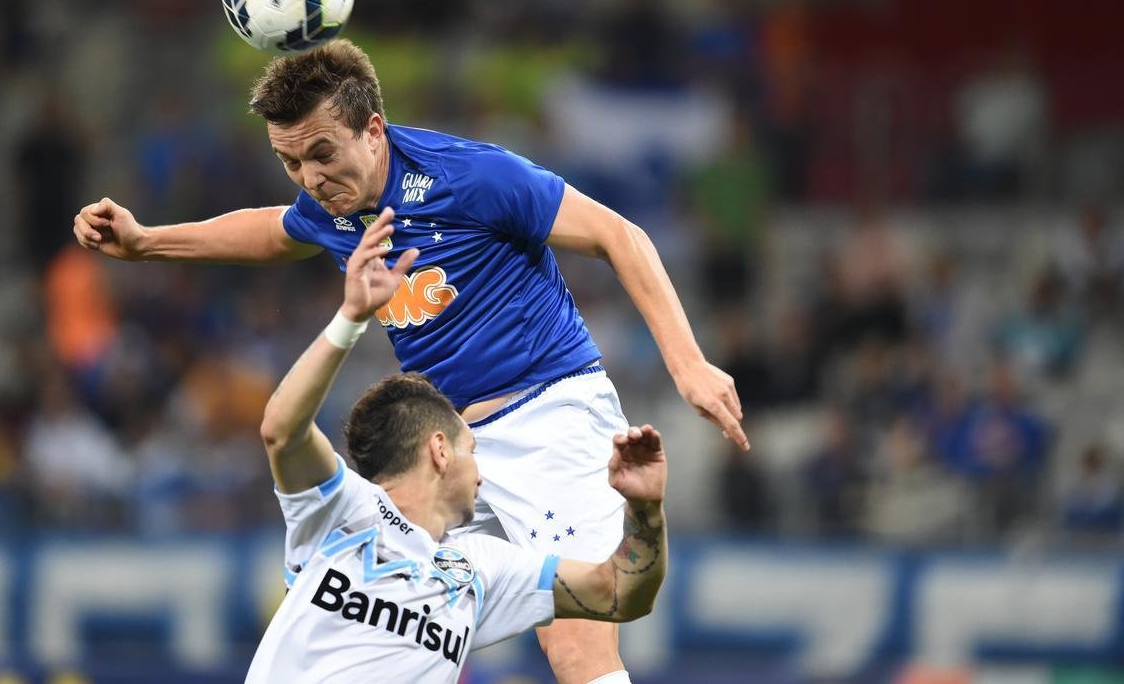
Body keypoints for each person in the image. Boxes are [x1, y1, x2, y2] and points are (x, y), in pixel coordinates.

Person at [73, 39, 745, 684]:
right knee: (381, 618)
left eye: (322, 153)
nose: (311, 178)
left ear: (373, 130)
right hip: (446, 453)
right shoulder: (331, 205)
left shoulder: (471, 177)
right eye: (290, 162)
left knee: (576, 637)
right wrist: (147, 242)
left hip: (550, 420)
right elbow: (275, 231)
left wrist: (688, 364)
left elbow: (618, 234)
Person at [249, 208, 667, 682]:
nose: (483, 472)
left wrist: (645, 511)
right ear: (440, 450)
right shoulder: (342, 512)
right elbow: (282, 430)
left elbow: (618, 593)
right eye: (473, 449)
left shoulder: (480, 570)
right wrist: (351, 318)